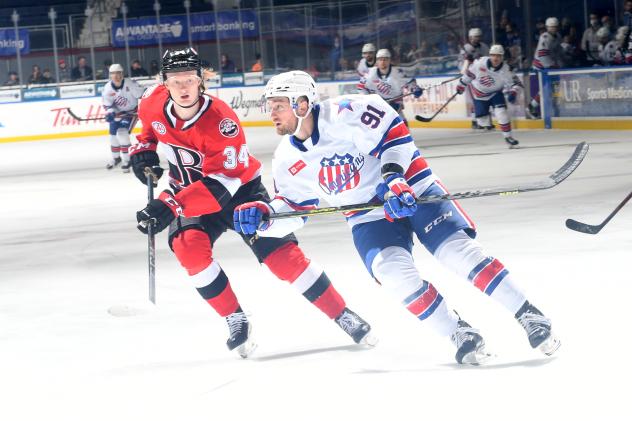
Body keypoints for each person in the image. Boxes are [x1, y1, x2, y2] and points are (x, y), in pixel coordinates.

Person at [233, 70, 561, 365]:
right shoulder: (285, 159)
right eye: (270, 105)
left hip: (410, 186)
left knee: (455, 252)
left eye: (278, 105)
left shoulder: (347, 112)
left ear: (302, 103)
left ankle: (528, 313)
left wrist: (394, 179)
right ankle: (457, 331)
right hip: (367, 214)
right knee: (391, 274)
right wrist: (268, 215)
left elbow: (396, 137)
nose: (270, 113)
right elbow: (296, 208)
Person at [129, 48, 375, 358]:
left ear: (202, 80)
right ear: (163, 83)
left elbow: (222, 183)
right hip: (187, 193)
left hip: (238, 194)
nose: (183, 87)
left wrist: (172, 205)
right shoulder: (152, 101)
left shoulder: (222, 121)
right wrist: (143, 150)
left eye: (190, 79)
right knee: (189, 249)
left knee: (283, 259)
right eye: (176, 81)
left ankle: (341, 313)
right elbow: (148, 130)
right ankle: (234, 317)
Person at [456, 44, 521, 148]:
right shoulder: (480, 64)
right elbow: (469, 75)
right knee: (483, 122)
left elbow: (516, 84)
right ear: (490, 55)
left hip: (496, 93)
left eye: (498, 56)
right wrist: (461, 85)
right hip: (479, 93)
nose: (496, 58)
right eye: (493, 55)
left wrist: (514, 92)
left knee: (502, 113)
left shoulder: (506, 69)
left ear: (502, 57)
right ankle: (479, 115)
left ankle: (508, 137)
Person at [357, 48, 423, 126]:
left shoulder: (398, 73)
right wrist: (369, 100)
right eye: (380, 59)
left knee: (403, 127)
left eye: (385, 59)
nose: (382, 62)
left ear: (389, 61)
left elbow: (410, 83)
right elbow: (361, 87)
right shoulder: (370, 73)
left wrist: (415, 89)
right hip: (378, 105)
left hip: (395, 103)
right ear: (377, 61)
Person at [102, 63, 144, 172]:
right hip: (117, 113)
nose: (115, 76)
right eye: (112, 73)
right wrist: (110, 112)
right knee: (112, 136)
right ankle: (116, 158)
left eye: (118, 73)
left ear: (122, 73)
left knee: (122, 133)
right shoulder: (108, 88)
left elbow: (142, 95)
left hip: (130, 113)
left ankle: (127, 159)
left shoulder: (130, 84)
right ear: (110, 75)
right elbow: (107, 104)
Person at [527, 17, 561, 118]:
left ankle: (555, 108)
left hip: (551, 66)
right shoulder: (545, 37)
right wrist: (551, 65)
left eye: (555, 27)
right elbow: (542, 54)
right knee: (546, 88)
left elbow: (558, 50)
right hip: (541, 67)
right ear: (547, 27)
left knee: (555, 88)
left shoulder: (558, 36)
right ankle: (532, 107)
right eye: (551, 27)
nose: (553, 29)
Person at [459, 28, 490, 129]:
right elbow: (461, 66)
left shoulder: (484, 47)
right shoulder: (465, 49)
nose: (477, 38)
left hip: (482, 76)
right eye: (475, 36)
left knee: (484, 98)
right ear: (470, 37)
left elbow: (488, 61)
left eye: (479, 36)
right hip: (471, 76)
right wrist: (467, 61)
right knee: (476, 99)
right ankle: (475, 121)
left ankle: (482, 121)